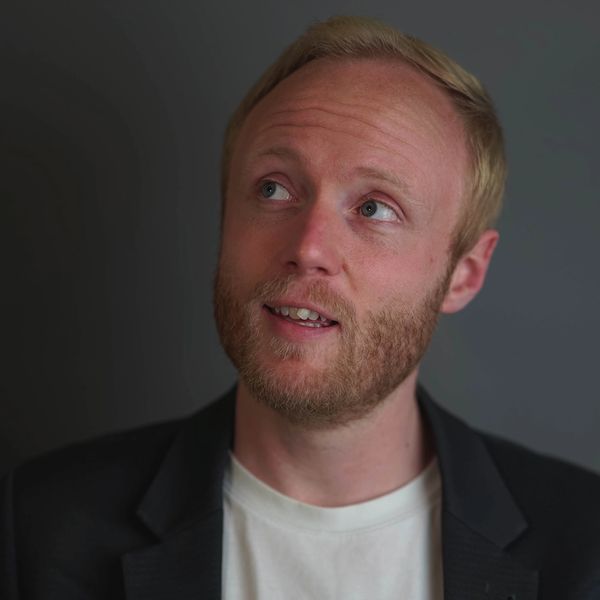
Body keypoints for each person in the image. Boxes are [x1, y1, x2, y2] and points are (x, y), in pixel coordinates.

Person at [2, 15, 599, 600]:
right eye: (274, 188)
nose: (308, 248)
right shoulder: (41, 529)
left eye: (375, 208)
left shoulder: (586, 546)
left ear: (463, 274)